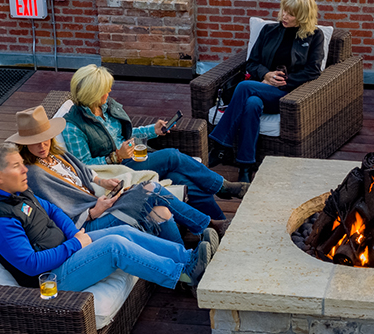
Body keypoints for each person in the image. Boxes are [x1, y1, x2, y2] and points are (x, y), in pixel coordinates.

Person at [0, 143, 214, 298]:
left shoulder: (17, 191)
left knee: (122, 232)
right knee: (114, 247)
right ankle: (183, 274)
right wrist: (75, 245)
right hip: (52, 280)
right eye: (17, 166)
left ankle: (188, 258)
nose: (25, 169)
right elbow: (30, 264)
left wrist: (75, 236)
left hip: (66, 250)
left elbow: (53, 211)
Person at [61, 64, 248, 225]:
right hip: (119, 171)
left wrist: (153, 130)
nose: (109, 93)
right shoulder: (73, 126)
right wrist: (115, 156)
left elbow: (124, 133)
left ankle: (221, 223)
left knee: (182, 180)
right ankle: (223, 187)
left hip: (133, 158)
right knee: (171, 156)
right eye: (105, 90)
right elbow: (85, 167)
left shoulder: (104, 106)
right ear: (91, 93)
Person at [10, 106, 218, 248]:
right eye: (35, 141)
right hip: (87, 224)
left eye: (45, 138)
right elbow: (58, 213)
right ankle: (208, 227)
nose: (42, 145)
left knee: (161, 211)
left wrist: (102, 181)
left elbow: (84, 170)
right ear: (24, 144)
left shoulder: (56, 154)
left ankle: (184, 268)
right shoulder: (34, 173)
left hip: (100, 205)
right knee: (151, 189)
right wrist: (93, 211)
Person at [208, 0, 325, 182]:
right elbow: (252, 63)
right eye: (284, 11)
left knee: (245, 88)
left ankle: (220, 144)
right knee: (252, 103)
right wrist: (266, 75)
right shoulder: (268, 31)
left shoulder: (314, 36)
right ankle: (245, 167)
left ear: (303, 16)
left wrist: (283, 80)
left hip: (288, 94)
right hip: (262, 88)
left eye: (291, 14)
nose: (284, 16)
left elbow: (313, 71)